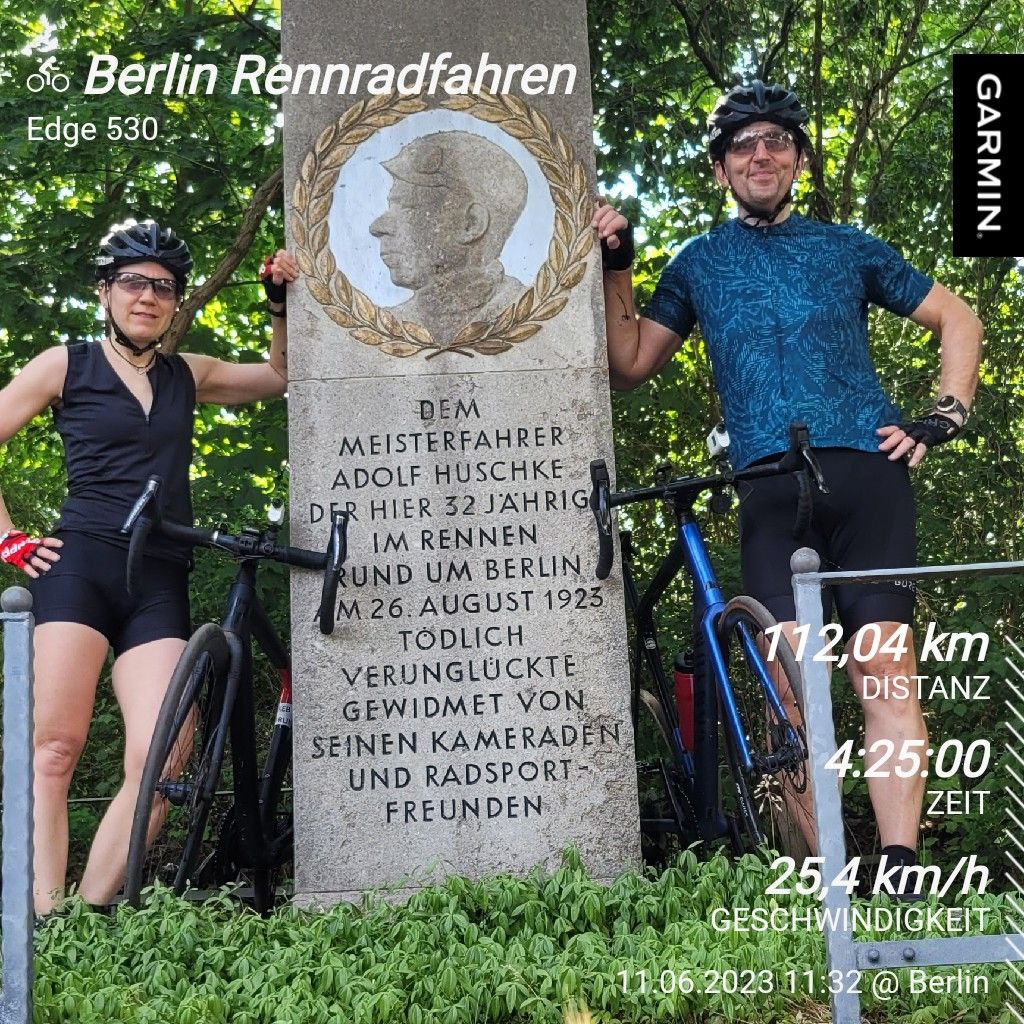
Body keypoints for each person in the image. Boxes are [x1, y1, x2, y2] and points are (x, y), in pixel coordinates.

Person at [594, 81, 982, 887]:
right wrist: (617, 264)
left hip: (868, 477)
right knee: (790, 694)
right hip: (770, 492)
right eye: (742, 144)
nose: (760, 154)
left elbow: (960, 318)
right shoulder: (699, 262)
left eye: (775, 140)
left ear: (799, 159)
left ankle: (901, 865)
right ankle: (825, 873)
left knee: (885, 670)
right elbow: (627, 363)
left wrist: (944, 413)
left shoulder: (849, 247)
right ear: (721, 170)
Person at [0, 219, 298, 914]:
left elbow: (281, 375)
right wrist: (8, 538)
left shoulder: (186, 374)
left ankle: (93, 910)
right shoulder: (62, 365)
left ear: (173, 302)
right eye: (133, 282)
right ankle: (45, 915)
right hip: (77, 567)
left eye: (162, 287)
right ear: (105, 291)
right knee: (54, 748)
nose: (147, 296)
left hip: (159, 575)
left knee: (164, 760)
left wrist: (279, 302)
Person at [369, 131, 528, 342]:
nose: (377, 227)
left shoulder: (528, 312)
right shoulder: (390, 325)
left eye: (408, 208)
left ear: (471, 225)